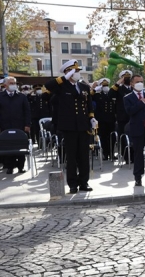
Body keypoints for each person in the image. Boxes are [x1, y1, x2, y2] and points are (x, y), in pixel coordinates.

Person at [44, 60, 97, 193]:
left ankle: (84, 182)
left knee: (84, 156)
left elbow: (89, 105)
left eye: (78, 71)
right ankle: (72, 184)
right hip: (69, 127)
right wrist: (64, 78)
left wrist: (92, 118)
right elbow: (48, 86)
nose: (77, 73)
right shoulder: (61, 87)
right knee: (71, 157)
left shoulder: (84, 87)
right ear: (68, 72)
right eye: (75, 71)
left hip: (83, 126)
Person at [0, 77, 32, 174]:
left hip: (20, 125)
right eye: (11, 83)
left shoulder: (21, 96)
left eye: (14, 83)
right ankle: (10, 166)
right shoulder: (1, 96)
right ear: (5, 85)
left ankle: (20, 167)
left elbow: (27, 111)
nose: (13, 84)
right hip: (5, 126)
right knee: (8, 147)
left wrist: (27, 124)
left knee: (20, 146)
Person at [93, 78, 117, 161]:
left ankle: (112, 153)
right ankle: (105, 154)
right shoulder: (97, 95)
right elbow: (89, 96)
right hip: (102, 120)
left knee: (112, 137)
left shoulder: (112, 94)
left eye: (107, 85)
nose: (106, 87)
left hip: (111, 119)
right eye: (104, 85)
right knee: (103, 137)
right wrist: (95, 89)